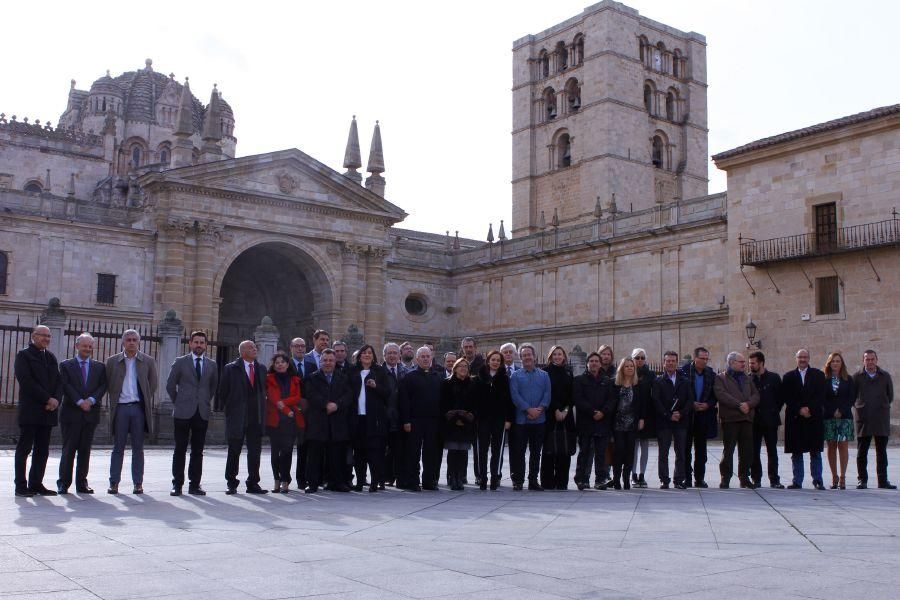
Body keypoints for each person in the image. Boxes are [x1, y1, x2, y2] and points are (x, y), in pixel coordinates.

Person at [105, 329, 158, 495]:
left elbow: (153, 384)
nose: (131, 342)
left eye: (134, 339)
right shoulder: (113, 361)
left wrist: (143, 398)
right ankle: (114, 482)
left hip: (138, 408)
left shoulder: (147, 361)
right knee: (118, 447)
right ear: (123, 342)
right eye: (128, 339)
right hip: (120, 407)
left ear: (139, 342)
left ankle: (138, 483)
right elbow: (108, 382)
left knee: (138, 448)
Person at [166, 331, 218, 496]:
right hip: (182, 412)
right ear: (190, 343)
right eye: (196, 342)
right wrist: (179, 401)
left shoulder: (212, 364)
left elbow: (213, 387)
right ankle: (177, 485)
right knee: (179, 449)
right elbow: (170, 385)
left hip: (201, 412)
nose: (199, 345)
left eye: (202, 342)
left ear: (206, 345)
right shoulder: (180, 362)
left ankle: (194, 484)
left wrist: (203, 401)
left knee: (198, 451)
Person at [14, 325, 62, 497]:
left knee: (42, 449)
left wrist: (56, 400)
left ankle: (36, 483)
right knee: (24, 449)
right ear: (34, 336)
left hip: (48, 411)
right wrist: (47, 398)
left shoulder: (50, 357)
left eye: (49, 336)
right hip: (31, 410)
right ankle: (20, 485)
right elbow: (26, 381)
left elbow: (58, 382)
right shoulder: (24, 355)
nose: (47, 339)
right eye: (43, 335)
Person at [57, 332, 106, 495]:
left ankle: (81, 483)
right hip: (71, 413)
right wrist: (79, 401)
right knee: (68, 449)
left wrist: (91, 400)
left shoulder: (99, 367)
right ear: (77, 346)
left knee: (85, 450)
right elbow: (66, 385)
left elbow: (102, 386)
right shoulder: (66, 365)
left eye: (90, 346)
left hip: (90, 413)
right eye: (84, 346)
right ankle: (64, 483)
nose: (87, 349)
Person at [217, 340, 268, 494]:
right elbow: (222, 392)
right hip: (237, 416)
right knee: (234, 451)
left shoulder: (261, 368)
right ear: (242, 351)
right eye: (251, 347)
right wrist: (232, 409)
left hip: (255, 416)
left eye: (255, 347)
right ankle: (231, 482)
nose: (255, 349)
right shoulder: (231, 368)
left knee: (255, 451)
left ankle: (253, 482)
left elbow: (264, 390)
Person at [303, 348, 353, 493]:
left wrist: (337, 404)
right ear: (320, 361)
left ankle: (337, 482)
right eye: (325, 360)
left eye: (331, 360)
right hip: (318, 422)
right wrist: (326, 404)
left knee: (336, 455)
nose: (328, 363)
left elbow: (349, 395)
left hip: (337, 423)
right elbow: (311, 395)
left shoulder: (343, 377)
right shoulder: (312, 378)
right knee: (314, 456)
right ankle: (312, 483)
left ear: (335, 361)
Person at [399, 346, 444, 491]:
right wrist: (406, 421)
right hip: (414, 421)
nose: (425, 359)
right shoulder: (409, 377)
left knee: (431, 453)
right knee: (413, 453)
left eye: (427, 356)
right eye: (422, 356)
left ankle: (429, 481)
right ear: (417, 359)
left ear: (431, 358)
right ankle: (413, 481)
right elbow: (404, 401)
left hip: (433, 421)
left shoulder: (437, 377)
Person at [783, 349, 826, 490]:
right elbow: (787, 397)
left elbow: (820, 395)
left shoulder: (819, 375)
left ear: (809, 358)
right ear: (796, 359)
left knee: (815, 451)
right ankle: (797, 480)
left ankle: (818, 480)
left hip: (813, 418)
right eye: (800, 357)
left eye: (805, 357)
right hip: (796, 418)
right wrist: (799, 409)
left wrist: (810, 409)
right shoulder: (788, 377)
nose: (802, 359)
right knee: (797, 451)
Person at [714, 352, 759, 488]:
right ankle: (725, 478)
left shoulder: (747, 378)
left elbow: (756, 395)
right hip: (730, 419)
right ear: (732, 363)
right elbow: (721, 395)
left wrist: (748, 405)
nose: (744, 364)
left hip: (746, 419)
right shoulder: (721, 378)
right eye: (741, 362)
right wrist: (739, 405)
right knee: (729, 450)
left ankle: (744, 478)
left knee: (747, 451)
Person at [509, 343, 551, 491]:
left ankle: (533, 480)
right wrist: (528, 409)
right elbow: (515, 396)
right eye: (524, 355)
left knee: (536, 452)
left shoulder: (544, 375)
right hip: (521, 420)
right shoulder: (515, 376)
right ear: (521, 358)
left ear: (534, 356)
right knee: (519, 451)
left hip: (539, 420)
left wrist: (539, 409)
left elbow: (547, 394)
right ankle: (518, 480)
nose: (527, 357)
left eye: (529, 354)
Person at [349, 344, 390, 492]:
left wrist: (376, 386)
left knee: (374, 452)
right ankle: (360, 482)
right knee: (359, 453)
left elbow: (387, 393)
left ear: (373, 356)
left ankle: (374, 482)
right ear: (359, 356)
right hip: (357, 417)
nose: (367, 355)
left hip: (374, 419)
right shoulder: (352, 371)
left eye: (369, 353)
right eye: (364, 353)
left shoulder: (380, 371)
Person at [853, 350, 895, 489]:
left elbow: (890, 395)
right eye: (867, 359)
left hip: (880, 418)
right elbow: (852, 397)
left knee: (881, 451)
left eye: (872, 359)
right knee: (862, 451)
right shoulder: (857, 377)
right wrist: (861, 407)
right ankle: (862, 480)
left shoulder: (885, 376)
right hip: (863, 418)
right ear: (863, 361)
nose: (870, 362)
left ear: (876, 360)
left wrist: (881, 406)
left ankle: (882, 480)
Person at [574, 351, 614, 490]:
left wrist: (603, 412)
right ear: (587, 363)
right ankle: (582, 479)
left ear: (600, 363)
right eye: (591, 361)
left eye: (596, 361)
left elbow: (611, 400)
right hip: (586, 421)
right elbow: (578, 399)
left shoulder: (607, 381)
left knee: (601, 453)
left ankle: (600, 479)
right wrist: (592, 412)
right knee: (584, 451)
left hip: (602, 421)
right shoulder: (579, 380)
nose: (594, 363)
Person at [474, 350, 513, 490]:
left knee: (498, 450)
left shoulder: (505, 378)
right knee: (482, 450)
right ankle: (482, 477)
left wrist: (508, 419)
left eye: (498, 360)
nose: (495, 362)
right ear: (488, 361)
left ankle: (495, 478)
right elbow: (475, 401)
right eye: (493, 359)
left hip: (499, 420)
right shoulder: (479, 377)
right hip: (483, 420)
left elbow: (509, 400)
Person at [652, 350, 692, 489]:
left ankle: (679, 479)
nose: (670, 363)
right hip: (664, 422)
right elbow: (656, 401)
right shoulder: (658, 381)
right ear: (663, 363)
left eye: (673, 361)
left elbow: (689, 400)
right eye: (667, 361)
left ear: (676, 363)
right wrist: (668, 415)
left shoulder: (685, 381)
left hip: (681, 421)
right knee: (663, 452)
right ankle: (664, 479)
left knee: (680, 452)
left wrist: (680, 414)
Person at [265, 354, 303, 493]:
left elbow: (297, 397)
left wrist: (285, 406)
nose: (280, 365)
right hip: (275, 419)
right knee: (275, 452)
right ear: (274, 365)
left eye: (283, 362)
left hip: (290, 421)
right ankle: (276, 479)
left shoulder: (295, 379)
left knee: (287, 452)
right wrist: (287, 410)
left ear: (288, 364)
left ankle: (285, 480)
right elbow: (273, 398)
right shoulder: (269, 379)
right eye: (277, 363)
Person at [681, 347, 717, 488]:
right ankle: (687, 477)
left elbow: (715, 395)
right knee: (685, 448)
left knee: (701, 450)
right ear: (695, 358)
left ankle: (699, 478)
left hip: (703, 416)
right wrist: (691, 404)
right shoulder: (684, 372)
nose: (704, 361)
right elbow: (680, 393)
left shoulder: (710, 374)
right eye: (702, 358)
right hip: (687, 416)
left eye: (706, 358)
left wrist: (707, 405)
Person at [541, 346, 576, 490]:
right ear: (550, 356)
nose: (557, 356)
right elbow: (547, 392)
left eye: (560, 354)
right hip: (550, 413)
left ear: (564, 356)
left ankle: (562, 482)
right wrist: (555, 409)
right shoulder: (545, 372)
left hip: (566, 415)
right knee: (549, 448)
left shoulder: (569, 372)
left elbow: (572, 393)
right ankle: (547, 482)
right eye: (554, 354)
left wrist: (566, 409)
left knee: (564, 449)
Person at [748, 351, 785, 489]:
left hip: (770, 420)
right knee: (754, 451)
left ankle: (774, 479)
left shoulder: (774, 378)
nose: (750, 365)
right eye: (750, 363)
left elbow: (780, 397)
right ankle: (756, 478)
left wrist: (774, 410)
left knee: (772, 451)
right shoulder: (748, 379)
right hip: (754, 421)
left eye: (753, 363)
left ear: (761, 363)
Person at [441, 357, 477, 490]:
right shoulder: (447, 383)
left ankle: (460, 476)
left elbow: (475, 404)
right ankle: (452, 476)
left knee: (462, 451)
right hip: (451, 423)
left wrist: (466, 418)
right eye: (460, 366)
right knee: (453, 451)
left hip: (467, 423)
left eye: (465, 366)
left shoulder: (472, 384)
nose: (463, 368)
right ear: (455, 368)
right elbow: (444, 404)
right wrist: (455, 418)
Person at [822, 351, 855, 490]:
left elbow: (851, 397)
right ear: (829, 364)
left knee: (843, 445)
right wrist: (832, 411)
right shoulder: (824, 379)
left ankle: (842, 477)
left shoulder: (848, 379)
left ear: (842, 364)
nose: (835, 363)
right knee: (831, 446)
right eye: (833, 361)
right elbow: (823, 398)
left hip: (844, 416)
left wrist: (841, 410)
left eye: (838, 361)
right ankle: (834, 476)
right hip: (829, 417)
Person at [611, 357, 645, 490]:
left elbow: (642, 404)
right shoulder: (614, 384)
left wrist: (642, 419)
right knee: (618, 452)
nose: (630, 368)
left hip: (632, 424)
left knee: (630, 452)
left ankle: (626, 479)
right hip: (618, 424)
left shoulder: (638, 385)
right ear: (622, 368)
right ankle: (616, 479)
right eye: (627, 366)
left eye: (632, 366)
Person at [289, 337, 314, 489]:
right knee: (285, 448)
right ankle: (283, 479)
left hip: (307, 412)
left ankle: (302, 479)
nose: (300, 349)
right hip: (290, 411)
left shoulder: (311, 365)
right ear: (291, 348)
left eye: (303, 346)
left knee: (304, 446)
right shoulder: (286, 364)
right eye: (297, 346)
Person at [382, 342, 408, 488]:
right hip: (384, 416)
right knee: (384, 449)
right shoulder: (378, 372)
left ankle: (400, 477)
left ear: (399, 356)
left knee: (400, 449)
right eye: (389, 353)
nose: (392, 355)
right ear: (384, 356)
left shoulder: (405, 372)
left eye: (394, 353)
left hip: (401, 416)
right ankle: (386, 477)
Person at [632, 348, 655, 489]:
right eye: (637, 357)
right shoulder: (629, 372)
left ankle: (642, 474)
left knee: (645, 445)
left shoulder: (651, 375)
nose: (639, 360)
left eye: (642, 358)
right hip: (632, 415)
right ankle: (633, 474)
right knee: (633, 446)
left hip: (647, 415)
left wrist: (644, 417)